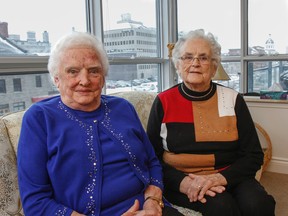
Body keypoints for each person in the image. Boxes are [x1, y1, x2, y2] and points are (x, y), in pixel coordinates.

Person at [17, 32, 183, 216]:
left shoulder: (123, 108)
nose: (85, 80)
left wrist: (153, 200)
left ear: (103, 77)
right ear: (56, 78)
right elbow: (35, 202)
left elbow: (152, 161)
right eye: (73, 71)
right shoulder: (40, 118)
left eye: (94, 71)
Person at [147, 29, 276, 216]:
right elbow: (151, 157)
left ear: (214, 67)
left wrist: (220, 178)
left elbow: (253, 155)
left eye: (203, 58)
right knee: (221, 206)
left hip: (230, 175)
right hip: (182, 180)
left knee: (258, 204)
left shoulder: (233, 99)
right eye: (188, 57)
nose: (195, 64)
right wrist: (184, 182)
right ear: (177, 65)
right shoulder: (163, 101)